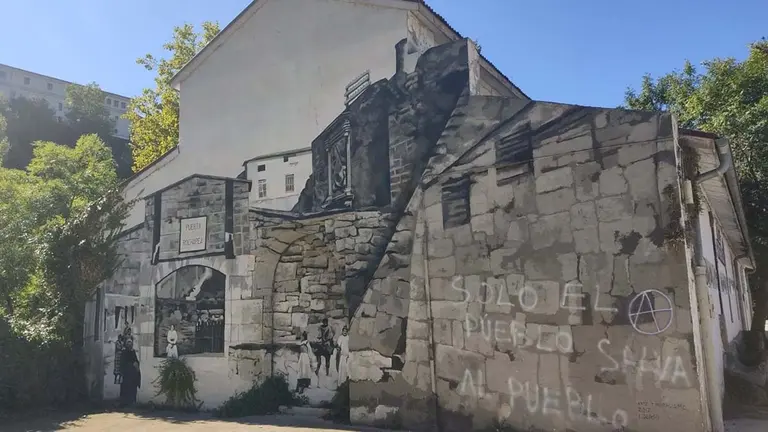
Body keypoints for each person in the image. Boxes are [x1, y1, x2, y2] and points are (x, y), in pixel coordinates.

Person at [119, 338, 140, 407]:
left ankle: (132, 401)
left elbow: (136, 360)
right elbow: (122, 363)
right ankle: (125, 402)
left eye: (130, 342)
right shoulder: (124, 352)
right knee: (125, 388)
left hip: (133, 375)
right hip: (127, 374)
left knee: (133, 388)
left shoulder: (133, 352)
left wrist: (136, 364)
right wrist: (131, 365)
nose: (129, 344)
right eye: (128, 342)